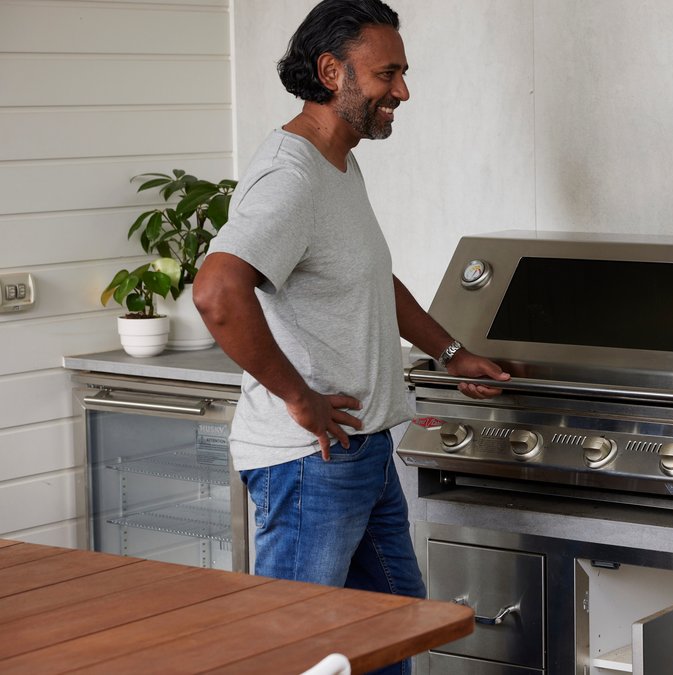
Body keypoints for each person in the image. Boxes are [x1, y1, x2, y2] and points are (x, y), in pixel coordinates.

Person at [193, 1, 509, 671]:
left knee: (390, 632)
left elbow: (370, 277)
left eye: (402, 72)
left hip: (359, 450)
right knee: (297, 653)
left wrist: (451, 353)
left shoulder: (336, 163)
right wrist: (298, 396)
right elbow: (217, 292)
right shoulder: (290, 176)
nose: (403, 91)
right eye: (387, 74)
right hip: (310, 461)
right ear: (331, 72)